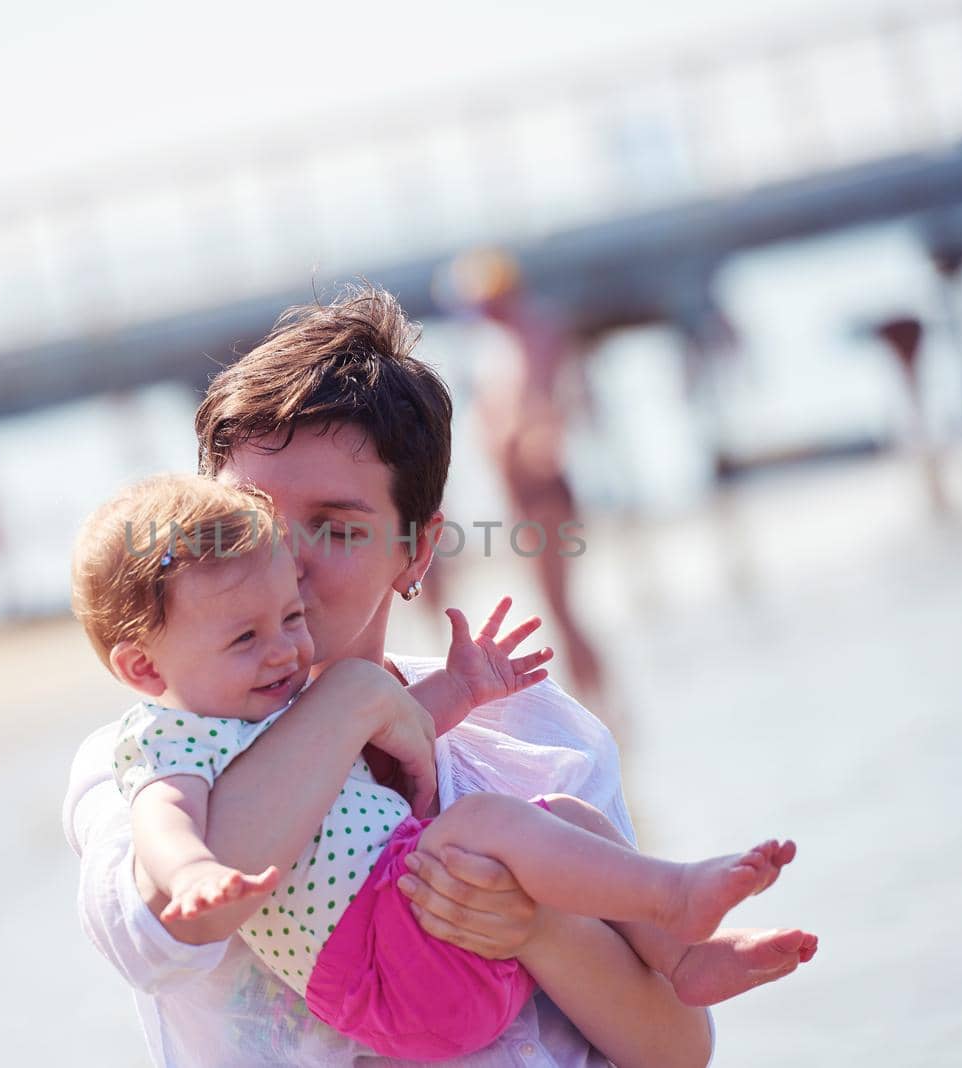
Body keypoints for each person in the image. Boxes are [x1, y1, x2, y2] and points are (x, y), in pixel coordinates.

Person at [63, 284, 813, 1066]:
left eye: (337, 526)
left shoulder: (533, 742)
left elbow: (676, 1052)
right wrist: (351, 700)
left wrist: (538, 926)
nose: (285, 559)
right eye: (251, 517)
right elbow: (160, 938)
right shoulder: (149, 756)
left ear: (418, 551)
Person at [439, 250, 604, 701]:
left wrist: (534, 444)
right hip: (521, 486)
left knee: (561, 605)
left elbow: (545, 406)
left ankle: (599, 703)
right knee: (555, 604)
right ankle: (596, 700)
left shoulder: (532, 334)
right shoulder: (502, 342)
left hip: (538, 487)